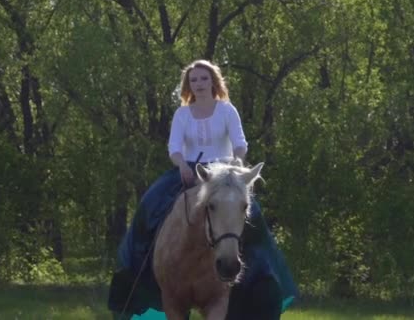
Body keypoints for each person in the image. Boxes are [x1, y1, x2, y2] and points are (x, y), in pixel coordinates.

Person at [108, 60, 298, 320]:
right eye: (194, 80)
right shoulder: (183, 114)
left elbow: (240, 144)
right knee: (149, 206)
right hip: (190, 173)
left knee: (254, 218)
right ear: (189, 85)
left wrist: (237, 163)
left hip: (225, 173)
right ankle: (138, 270)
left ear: (213, 82)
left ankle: (262, 279)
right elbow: (174, 147)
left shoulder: (227, 110)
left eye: (204, 79)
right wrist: (182, 164)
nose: (199, 84)